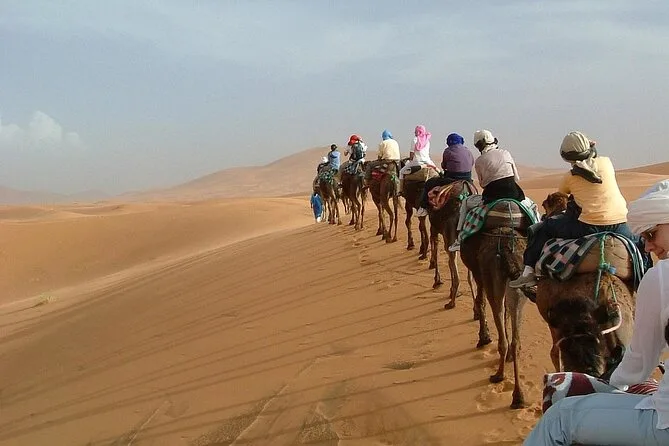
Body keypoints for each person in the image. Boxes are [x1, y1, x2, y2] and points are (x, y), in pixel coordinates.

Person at [522, 179, 669, 446]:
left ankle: (528, 270)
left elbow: (639, 364)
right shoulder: (602, 170)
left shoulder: (661, 276)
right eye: (644, 238)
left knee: (558, 418)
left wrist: (611, 384)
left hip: (663, 424)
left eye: (651, 234)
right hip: (614, 224)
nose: (648, 247)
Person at [510, 131, 637, 288]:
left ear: (566, 157)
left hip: (588, 227)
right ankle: (646, 274)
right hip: (620, 225)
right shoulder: (606, 163)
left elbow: (561, 196)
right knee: (641, 244)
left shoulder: (569, 177)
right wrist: (589, 147)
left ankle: (528, 272)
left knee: (542, 229)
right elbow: (592, 159)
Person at [448, 129, 528, 252]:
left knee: (466, 202)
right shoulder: (506, 153)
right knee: (531, 208)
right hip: (515, 195)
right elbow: (516, 177)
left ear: (478, 145)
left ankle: (459, 239)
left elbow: (483, 184)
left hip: (492, 198)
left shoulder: (480, 161)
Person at [415, 132, 475, 217]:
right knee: (474, 192)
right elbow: (472, 163)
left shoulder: (448, 151)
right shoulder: (468, 151)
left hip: (452, 179)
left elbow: (444, 165)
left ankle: (423, 207)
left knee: (429, 183)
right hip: (467, 179)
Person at [398, 125, 439, 194]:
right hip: (428, 162)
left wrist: (410, 160)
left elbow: (412, 153)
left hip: (417, 162)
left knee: (401, 172)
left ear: (418, 132)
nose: (415, 133)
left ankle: (400, 190)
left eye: (416, 131)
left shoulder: (415, 140)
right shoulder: (427, 141)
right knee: (438, 173)